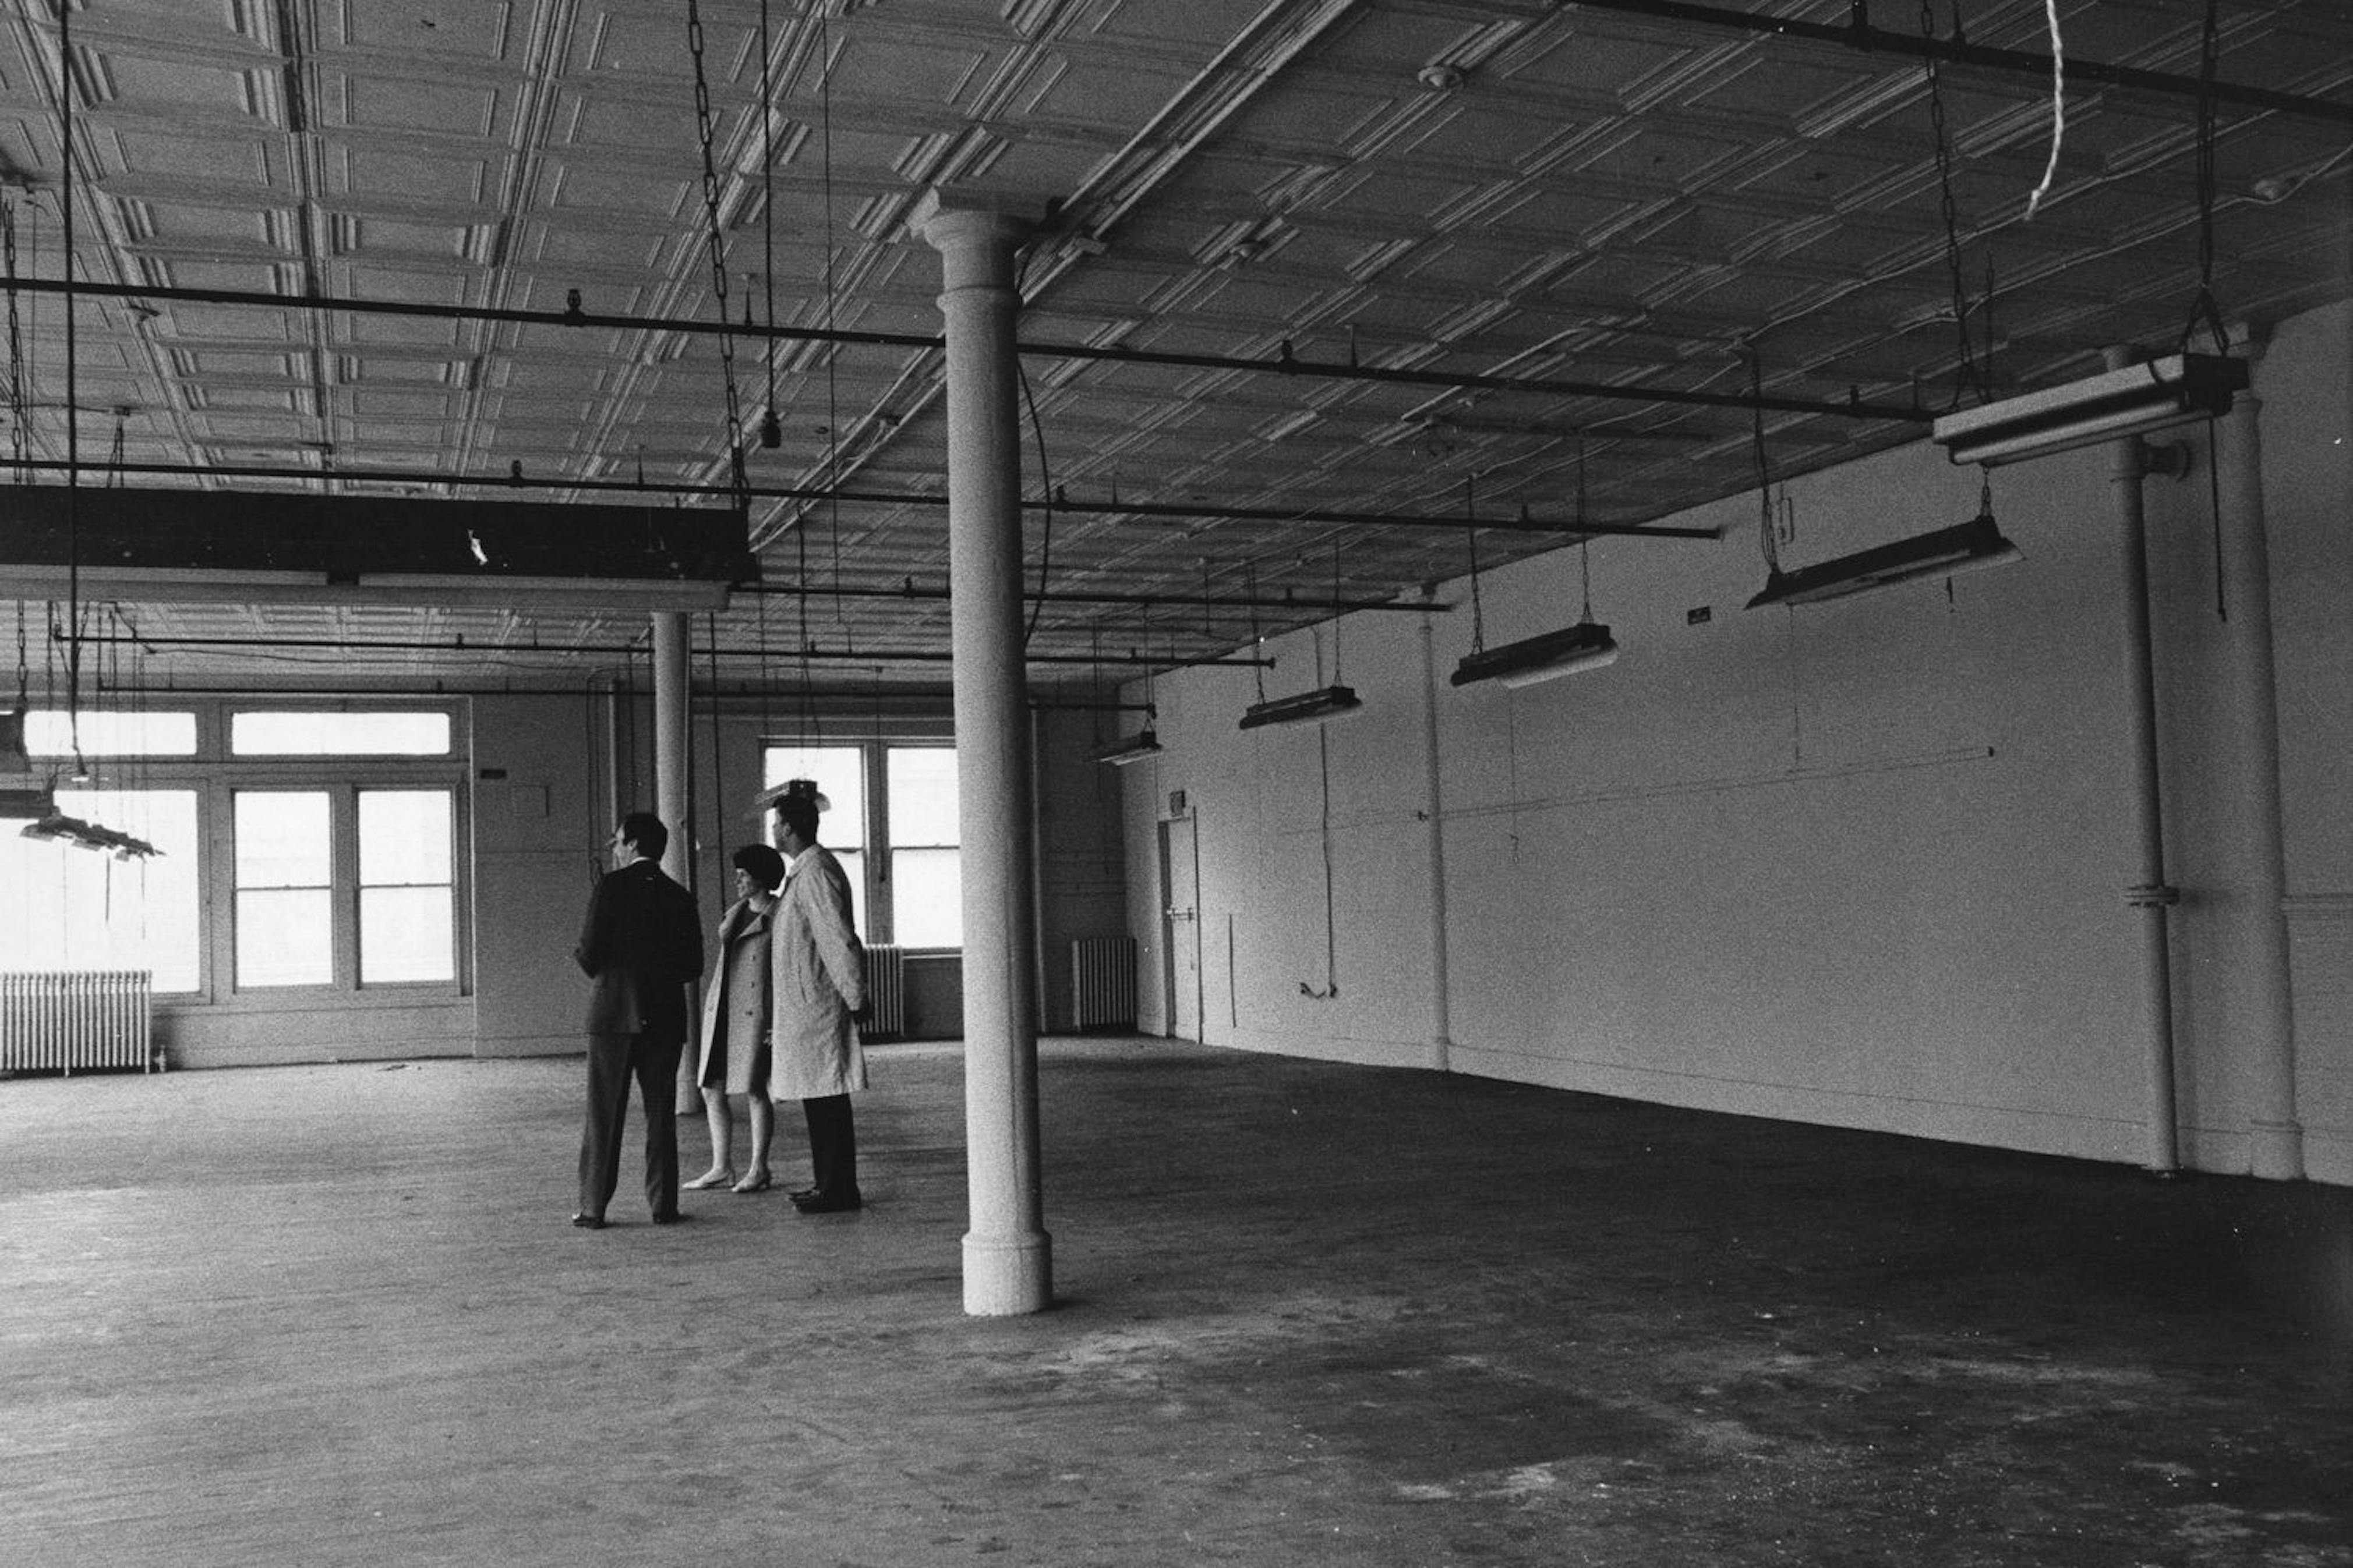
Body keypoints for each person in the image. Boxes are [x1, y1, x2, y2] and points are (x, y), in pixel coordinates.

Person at [571, 810, 704, 1230]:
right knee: (661, 1114)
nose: (614, 847)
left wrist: (611, 977)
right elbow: (693, 964)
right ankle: (663, 1204)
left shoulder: (610, 888)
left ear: (631, 845)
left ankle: (593, 1208)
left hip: (613, 1013)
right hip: (664, 1015)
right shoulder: (680, 896)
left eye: (618, 840)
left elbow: (589, 950)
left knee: (603, 1114)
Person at [765, 782, 870, 1213]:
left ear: (788, 828)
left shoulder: (816, 872)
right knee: (819, 1098)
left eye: (777, 825)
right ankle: (828, 1183)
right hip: (807, 1007)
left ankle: (839, 1189)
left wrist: (856, 996)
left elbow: (837, 939)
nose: (773, 831)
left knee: (827, 1098)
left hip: (819, 1007)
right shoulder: (804, 872)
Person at [684, 843, 787, 1195]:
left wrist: (777, 1021)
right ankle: (721, 1167)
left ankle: (759, 1167)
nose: (738, 881)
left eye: (744, 875)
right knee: (711, 1087)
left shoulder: (779, 916)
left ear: (761, 878)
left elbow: (783, 974)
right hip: (725, 1009)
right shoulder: (737, 912)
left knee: (755, 1088)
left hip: (756, 1014)